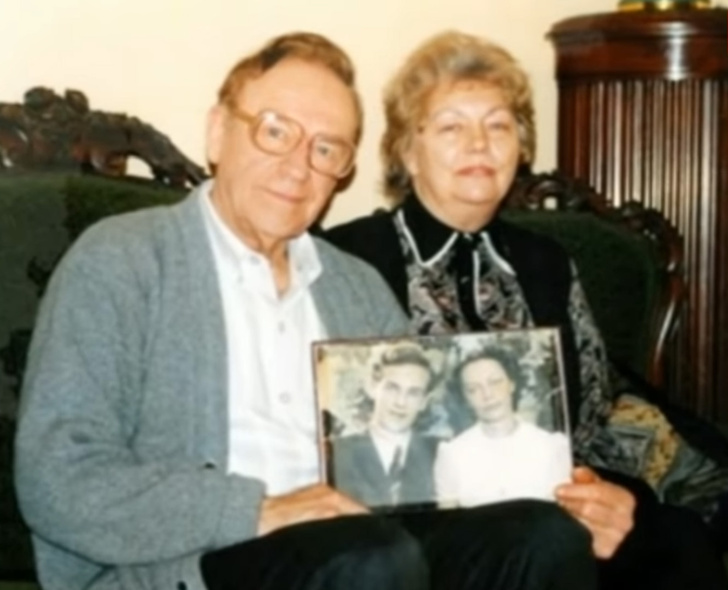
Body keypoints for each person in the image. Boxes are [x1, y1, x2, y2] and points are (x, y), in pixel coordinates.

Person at [14, 32, 598, 590]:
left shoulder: (357, 286)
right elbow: (58, 478)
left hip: (363, 549)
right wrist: (260, 510)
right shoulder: (124, 259)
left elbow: (422, 468)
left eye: (326, 149)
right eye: (275, 132)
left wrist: (555, 487)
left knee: (542, 536)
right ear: (218, 133)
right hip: (191, 564)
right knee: (369, 557)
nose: (299, 167)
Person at [323, 30, 728, 589]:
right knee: (547, 538)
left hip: (553, 501)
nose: (478, 144)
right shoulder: (350, 258)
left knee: (674, 537)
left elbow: (588, 417)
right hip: (416, 527)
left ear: (521, 146)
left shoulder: (546, 262)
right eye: (451, 127)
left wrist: (605, 496)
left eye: (498, 126)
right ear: (407, 152)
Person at [435, 347, 571, 508]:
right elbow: (448, 518)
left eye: (495, 382)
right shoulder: (452, 454)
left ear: (512, 384)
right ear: (465, 398)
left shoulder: (553, 446)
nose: (487, 395)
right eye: (473, 389)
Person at [331, 343, 439, 509]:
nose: (400, 402)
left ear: (424, 402)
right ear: (372, 388)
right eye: (392, 388)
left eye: (413, 393)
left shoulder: (440, 452)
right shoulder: (338, 453)